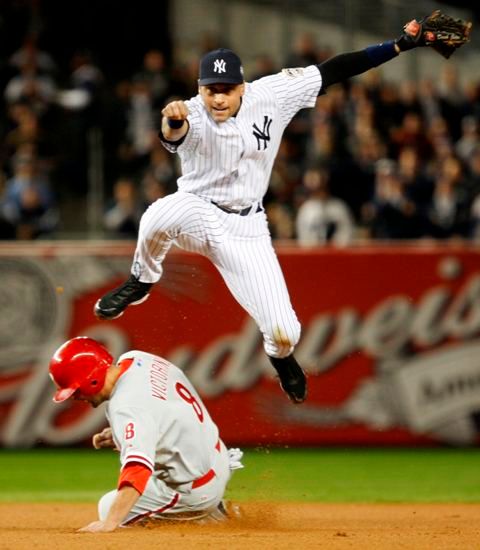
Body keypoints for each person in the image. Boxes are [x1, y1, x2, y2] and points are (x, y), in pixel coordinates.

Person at [93, 18, 442, 405]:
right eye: (211, 90)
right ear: (199, 89)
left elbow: (335, 69)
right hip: (199, 213)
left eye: (227, 90)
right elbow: (171, 133)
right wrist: (171, 121)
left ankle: (281, 359)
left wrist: (396, 46)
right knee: (159, 215)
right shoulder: (190, 112)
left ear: (242, 87)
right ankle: (142, 281)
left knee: (284, 332)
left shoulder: (272, 94)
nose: (219, 99)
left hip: (248, 229)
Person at [49, 336, 244, 532]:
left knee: (109, 507)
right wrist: (121, 433)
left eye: (75, 390)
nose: (76, 397)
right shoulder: (138, 359)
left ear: (92, 379)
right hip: (216, 456)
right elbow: (163, 409)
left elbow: (137, 468)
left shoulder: (127, 408)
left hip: (194, 490)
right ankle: (217, 507)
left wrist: (109, 523)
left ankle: (210, 516)